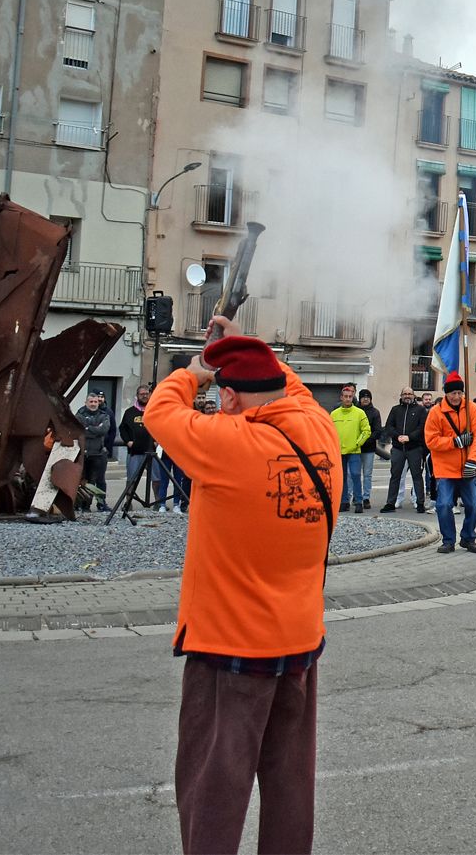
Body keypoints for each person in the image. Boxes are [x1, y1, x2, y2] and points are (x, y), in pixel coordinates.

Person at [143, 319, 340, 854]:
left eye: (219, 395)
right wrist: (244, 344)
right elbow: (288, 385)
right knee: (289, 786)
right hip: (299, 641)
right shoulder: (318, 426)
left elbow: (159, 413)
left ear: (228, 397)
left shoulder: (227, 442)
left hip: (229, 645)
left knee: (213, 791)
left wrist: (196, 369)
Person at [423, 372, 476, 552]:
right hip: (445, 468)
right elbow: (431, 441)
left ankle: (467, 537)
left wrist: (473, 460)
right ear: (446, 394)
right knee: (443, 505)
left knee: (474, 504)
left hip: (467, 467)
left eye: (459, 393)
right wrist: (454, 442)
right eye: (453, 393)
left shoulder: (471, 408)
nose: (457, 397)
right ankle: (448, 540)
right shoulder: (436, 412)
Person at [119, 384, 165, 511]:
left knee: (156, 478)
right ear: (137, 396)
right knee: (131, 478)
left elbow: (162, 427)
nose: (144, 396)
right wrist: (128, 441)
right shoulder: (129, 412)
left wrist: (157, 441)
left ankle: (157, 501)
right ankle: (128, 502)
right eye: (142, 394)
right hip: (135, 452)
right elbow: (123, 428)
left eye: (146, 394)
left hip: (152, 451)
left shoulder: (156, 410)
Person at [381, 386, 428, 514]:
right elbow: (389, 426)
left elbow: (422, 427)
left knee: (417, 476)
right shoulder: (395, 410)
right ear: (401, 396)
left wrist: (409, 437)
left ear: (413, 396)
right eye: (405, 394)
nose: (407, 396)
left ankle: (420, 503)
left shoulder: (421, 410)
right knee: (395, 476)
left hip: (414, 448)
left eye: (409, 394)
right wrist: (398, 436)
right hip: (397, 448)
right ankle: (390, 503)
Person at [329, 384, 370, 513]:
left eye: (350, 397)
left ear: (353, 398)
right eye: (345, 397)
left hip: (354, 451)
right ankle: (344, 501)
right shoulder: (334, 414)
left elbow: (366, 431)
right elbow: (329, 431)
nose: (347, 399)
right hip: (339, 451)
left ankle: (359, 502)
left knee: (356, 475)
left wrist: (357, 443)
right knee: (342, 477)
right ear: (341, 397)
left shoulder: (360, 413)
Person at [75, 390, 113, 512]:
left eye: (95, 401)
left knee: (100, 480)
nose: (93, 404)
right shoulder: (79, 415)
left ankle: (102, 503)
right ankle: (84, 505)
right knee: (84, 481)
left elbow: (104, 430)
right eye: (91, 401)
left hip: (99, 454)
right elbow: (79, 430)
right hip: (83, 454)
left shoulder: (104, 415)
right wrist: (94, 429)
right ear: (86, 402)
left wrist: (87, 428)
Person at [355, 389, 382, 510]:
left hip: (369, 449)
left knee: (367, 475)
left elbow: (377, 431)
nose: (365, 399)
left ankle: (366, 497)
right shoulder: (354, 412)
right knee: (354, 474)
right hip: (354, 448)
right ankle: (355, 496)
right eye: (363, 397)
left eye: (368, 397)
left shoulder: (375, 412)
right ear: (359, 398)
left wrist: (365, 439)